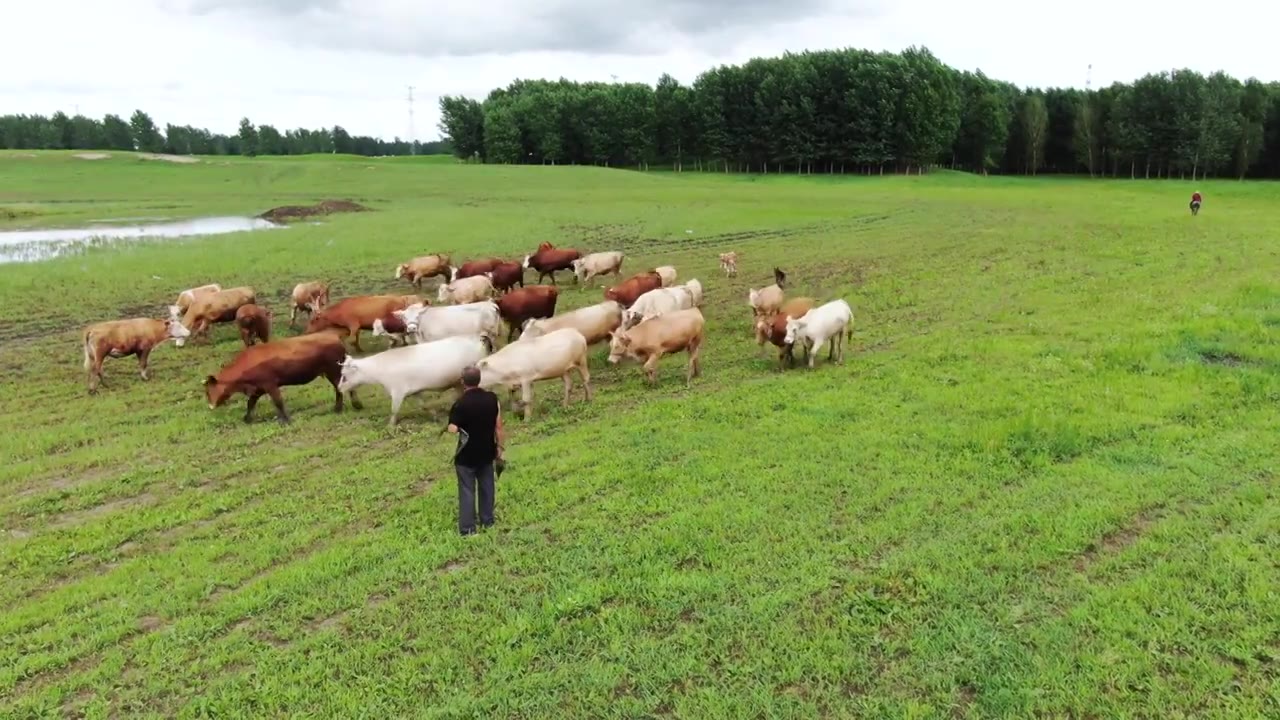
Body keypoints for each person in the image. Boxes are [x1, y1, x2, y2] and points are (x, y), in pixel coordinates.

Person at [445, 365, 504, 536]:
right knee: (487, 487)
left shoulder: (460, 404)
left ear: (463, 382)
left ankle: (468, 529)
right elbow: (498, 426)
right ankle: (487, 520)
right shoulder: (492, 398)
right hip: (487, 451)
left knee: (467, 491)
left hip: (466, 456)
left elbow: (453, 429)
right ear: (479, 379)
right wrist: (500, 447)